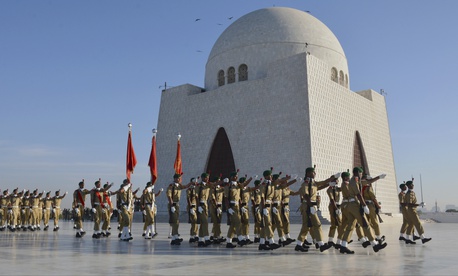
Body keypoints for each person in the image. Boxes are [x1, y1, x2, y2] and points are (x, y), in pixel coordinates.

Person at [339, 167, 387, 254]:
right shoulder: (353, 182)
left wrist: (379, 177)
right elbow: (358, 195)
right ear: (357, 172)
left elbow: (368, 182)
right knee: (365, 224)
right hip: (354, 205)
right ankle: (375, 244)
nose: (361, 175)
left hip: (352, 205)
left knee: (350, 226)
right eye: (361, 173)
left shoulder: (356, 181)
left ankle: (343, 245)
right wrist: (365, 206)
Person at [295, 167, 337, 253]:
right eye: (313, 172)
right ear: (308, 173)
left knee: (306, 226)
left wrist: (332, 179)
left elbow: (322, 183)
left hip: (310, 206)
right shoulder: (305, 184)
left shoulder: (313, 183)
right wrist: (310, 207)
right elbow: (306, 196)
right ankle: (321, 244)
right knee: (317, 224)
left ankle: (299, 245)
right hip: (308, 206)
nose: (315, 174)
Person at [224, 171, 252, 248]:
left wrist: (250, 178)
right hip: (231, 207)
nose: (236, 177)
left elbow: (244, 186)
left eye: (236, 176)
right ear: (231, 177)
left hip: (237, 207)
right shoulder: (228, 186)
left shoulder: (238, 186)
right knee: (238, 222)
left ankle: (228, 242)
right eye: (234, 176)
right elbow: (226, 198)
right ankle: (240, 239)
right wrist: (228, 208)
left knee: (233, 225)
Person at [167, 173, 192, 245]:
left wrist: (191, 183)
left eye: (180, 178)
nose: (179, 180)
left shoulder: (179, 186)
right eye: (178, 178)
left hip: (177, 205)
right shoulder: (171, 186)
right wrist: (172, 206)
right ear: (175, 179)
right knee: (174, 221)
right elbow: (169, 196)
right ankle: (174, 237)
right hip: (173, 205)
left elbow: (185, 186)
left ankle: (175, 238)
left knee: (176, 221)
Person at [209, 176, 225, 244]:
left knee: (218, 221)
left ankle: (216, 235)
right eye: (218, 181)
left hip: (219, 205)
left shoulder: (220, 188)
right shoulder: (212, 188)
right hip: (214, 206)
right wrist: (216, 207)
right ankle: (216, 236)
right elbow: (213, 198)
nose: (219, 182)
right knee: (216, 221)